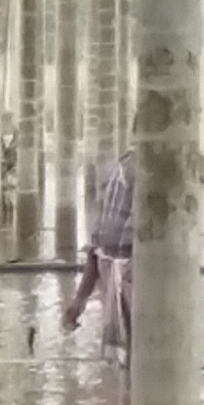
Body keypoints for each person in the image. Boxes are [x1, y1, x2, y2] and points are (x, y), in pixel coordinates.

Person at [58, 150, 133, 353]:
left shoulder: (119, 170)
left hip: (113, 269)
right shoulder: (143, 173)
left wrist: (78, 302)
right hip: (128, 274)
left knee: (126, 356)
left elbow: (96, 248)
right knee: (137, 352)